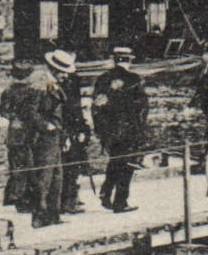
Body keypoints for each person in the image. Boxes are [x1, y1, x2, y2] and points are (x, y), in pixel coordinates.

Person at [93, 47, 148, 213]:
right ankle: (120, 201)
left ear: (115, 60)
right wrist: (140, 130)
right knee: (127, 165)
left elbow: (96, 107)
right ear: (129, 60)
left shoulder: (102, 79)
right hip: (128, 130)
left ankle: (106, 192)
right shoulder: (135, 79)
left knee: (114, 161)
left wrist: (100, 129)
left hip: (109, 131)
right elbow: (142, 108)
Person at [46, 49, 89, 213]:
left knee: (72, 165)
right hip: (63, 129)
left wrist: (81, 127)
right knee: (66, 166)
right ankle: (65, 202)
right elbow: (66, 109)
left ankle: (69, 199)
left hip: (71, 127)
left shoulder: (71, 80)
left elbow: (75, 107)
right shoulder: (51, 85)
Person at [24, 61, 66, 228]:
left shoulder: (54, 85)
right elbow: (29, 112)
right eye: (63, 72)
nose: (65, 75)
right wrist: (45, 125)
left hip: (55, 136)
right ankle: (39, 216)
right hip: (43, 138)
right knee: (43, 178)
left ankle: (53, 214)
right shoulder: (40, 86)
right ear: (55, 70)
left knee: (57, 177)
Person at [0, 62, 35, 212]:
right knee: (27, 166)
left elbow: (2, 111)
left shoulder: (8, 91)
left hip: (16, 133)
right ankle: (22, 199)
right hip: (26, 133)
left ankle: (16, 197)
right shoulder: (31, 91)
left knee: (18, 166)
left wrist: (13, 118)